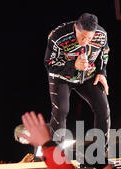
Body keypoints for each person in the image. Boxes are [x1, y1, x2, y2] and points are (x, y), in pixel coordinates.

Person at [44, 13, 110, 143]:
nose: (85, 41)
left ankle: (99, 151)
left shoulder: (101, 35)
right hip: (61, 77)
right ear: (76, 27)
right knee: (61, 110)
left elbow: (104, 52)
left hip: (88, 76)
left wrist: (102, 72)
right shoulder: (57, 36)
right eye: (82, 37)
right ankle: (56, 152)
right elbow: (49, 64)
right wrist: (73, 65)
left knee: (103, 109)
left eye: (89, 38)